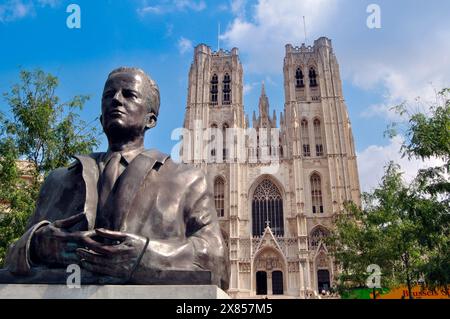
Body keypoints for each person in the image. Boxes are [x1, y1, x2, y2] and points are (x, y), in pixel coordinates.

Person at [4, 67, 229, 289]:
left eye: (129, 94)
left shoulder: (187, 179)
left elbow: (218, 262)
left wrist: (146, 257)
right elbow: (13, 256)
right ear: (101, 118)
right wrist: (39, 245)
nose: (116, 100)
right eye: (108, 95)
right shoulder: (59, 180)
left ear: (151, 119)